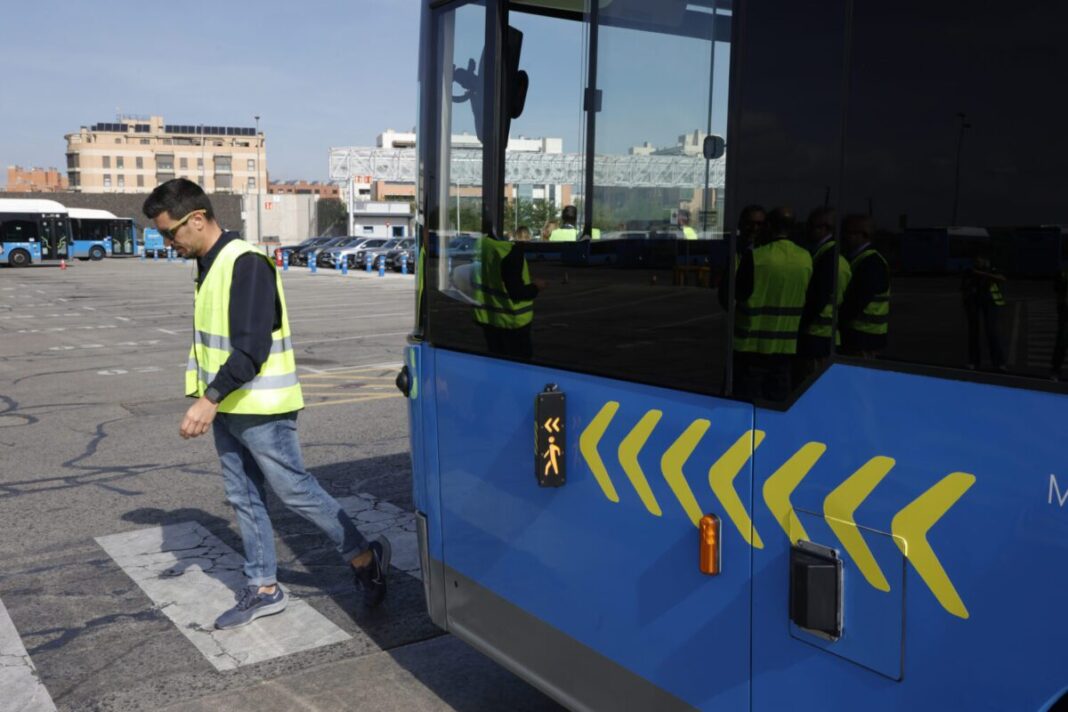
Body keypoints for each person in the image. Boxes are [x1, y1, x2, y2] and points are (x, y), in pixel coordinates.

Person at [142, 179, 390, 630]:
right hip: (231, 404)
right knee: (243, 495)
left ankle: (363, 556)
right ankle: (263, 587)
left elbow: (252, 348)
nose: (167, 242)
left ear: (196, 219)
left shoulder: (246, 264)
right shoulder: (209, 264)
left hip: (260, 404)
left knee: (294, 489)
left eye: (170, 232)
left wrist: (208, 400)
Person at [724, 206, 813, 400]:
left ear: (769, 226)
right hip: (786, 349)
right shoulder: (806, 258)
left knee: (746, 405)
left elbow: (728, 297)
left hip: (751, 347)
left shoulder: (756, 257)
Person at [472, 233, 546, 359]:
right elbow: (517, 293)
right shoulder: (510, 251)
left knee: (496, 364)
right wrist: (537, 286)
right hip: (512, 322)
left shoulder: (481, 245)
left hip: (488, 319)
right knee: (520, 367)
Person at [798, 207, 851, 378]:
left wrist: (799, 326)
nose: (807, 230)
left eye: (811, 226)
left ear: (825, 228)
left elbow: (817, 301)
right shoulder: (833, 257)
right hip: (826, 337)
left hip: (817, 338)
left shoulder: (827, 260)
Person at [839, 215, 890, 358]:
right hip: (863, 336)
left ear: (864, 235)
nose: (843, 237)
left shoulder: (871, 263)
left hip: (864, 338)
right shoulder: (861, 259)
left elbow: (857, 301)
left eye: (848, 232)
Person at [961, 251, 1006, 371]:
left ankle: (999, 363)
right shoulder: (970, 271)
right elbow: (964, 287)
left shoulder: (991, 269)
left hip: (990, 302)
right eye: (976, 260)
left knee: (991, 332)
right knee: (974, 332)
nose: (977, 262)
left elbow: (1002, 278)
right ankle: (974, 362)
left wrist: (982, 273)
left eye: (979, 260)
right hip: (974, 302)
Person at [1052, 267, 1068, 380]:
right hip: (1065, 309)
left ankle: (1055, 369)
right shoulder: (1063, 272)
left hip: (1064, 307)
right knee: (1062, 339)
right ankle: (1055, 370)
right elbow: (1057, 287)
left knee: (1062, 339)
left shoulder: (1063, 271)